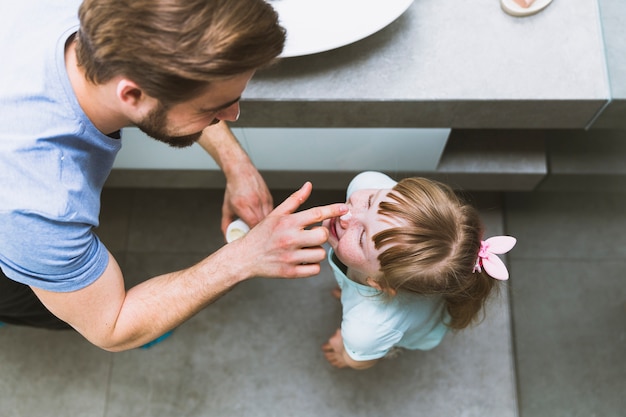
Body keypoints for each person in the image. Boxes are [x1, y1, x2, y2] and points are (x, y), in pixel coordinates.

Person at [0, 0, 348, 351]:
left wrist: (236, 165)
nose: (234, 114)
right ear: (132, 94)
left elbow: (174, 87)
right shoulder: (40, 203)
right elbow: (114, 325)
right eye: (214, 108)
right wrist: (245, 256)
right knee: (32, 299)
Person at [321, 172, 516, 370]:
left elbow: (361, 361)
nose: (348, 216)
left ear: (380, 284)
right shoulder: (367, 183)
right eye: (371, 201)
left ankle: (380, 333)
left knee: (374, 336)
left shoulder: (366, 329)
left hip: (406, 327)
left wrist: (347, 354)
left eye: (362, 237)